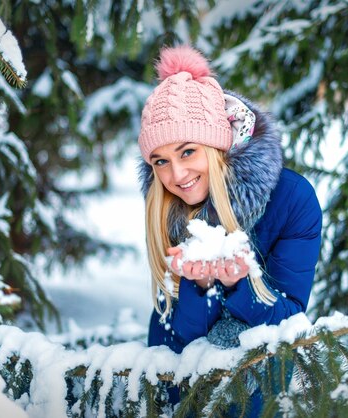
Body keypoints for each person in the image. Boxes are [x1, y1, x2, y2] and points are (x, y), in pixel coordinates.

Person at [137, 45, 322, 413]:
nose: (176, 175)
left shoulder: (291, 199)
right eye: (161, 160)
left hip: (258, 393)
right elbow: (172, 345)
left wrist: (242, 284)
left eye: (188, 151)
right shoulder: (169, 210)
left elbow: (289, 323)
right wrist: (201, 286)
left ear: (218, 145)